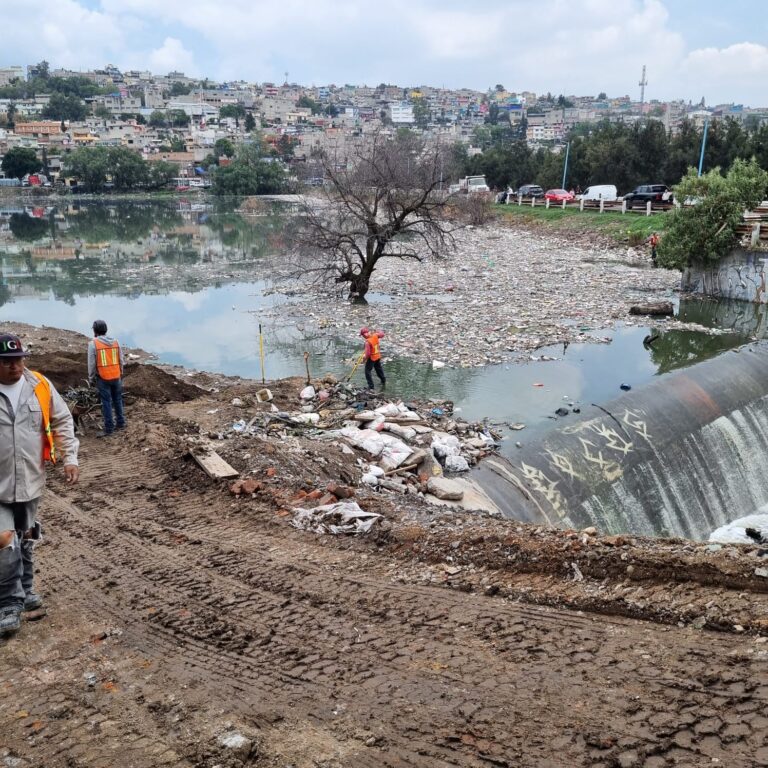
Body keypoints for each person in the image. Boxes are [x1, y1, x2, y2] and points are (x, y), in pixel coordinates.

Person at [0, 333, 79, 637]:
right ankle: (8, 602)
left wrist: (70, 458)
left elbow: (61, 421)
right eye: (7, 362)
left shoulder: (40, 387)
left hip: (31, 479)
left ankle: (26, 589)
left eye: (19, 359)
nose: (15, 366)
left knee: (27, 536)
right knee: (4, 538)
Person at [88, 320, 126, 437]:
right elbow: (121, 359)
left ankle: (109, 428)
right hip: (116, 376)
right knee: (118, 400)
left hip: (103, 378)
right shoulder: (115, 341)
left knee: (106, 403)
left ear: (95, 330)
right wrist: (120, 372)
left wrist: (91, 378)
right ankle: (121, 423)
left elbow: (91, 364)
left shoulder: (93, 344)